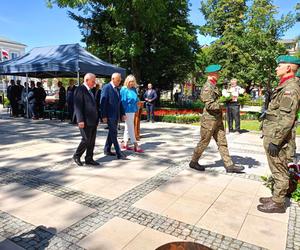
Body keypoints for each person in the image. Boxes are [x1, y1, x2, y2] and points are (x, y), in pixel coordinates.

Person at [257, 55, 300, 213]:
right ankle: (276, 196)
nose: (276, 68)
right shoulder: (284, 85)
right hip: (273, 131)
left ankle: (278, 203)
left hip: (278, 135)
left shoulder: (290, 88)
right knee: (275, 167)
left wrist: (276, 141)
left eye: (279, 65)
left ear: (288, 68)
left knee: (279, 168)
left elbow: (287, 118)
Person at [189, 64, 244, 173]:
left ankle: (229, 165)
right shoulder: (207, 87)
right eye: (217, 73)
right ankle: (193, 162)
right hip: (209, 120)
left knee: (222, 142)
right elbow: (209, 105)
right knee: (204, 142)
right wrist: (223, 104)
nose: (219, 75)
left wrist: (227, 100)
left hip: (217, 119)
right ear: (211, 74)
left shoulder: (214, 86)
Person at [73, 73, 100, 166]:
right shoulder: (80, 89)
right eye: (93, 81)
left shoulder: (90, 91)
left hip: (92, 120)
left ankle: (89, 158)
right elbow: (78, 106)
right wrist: (80, 120)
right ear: (87, 80)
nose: (94, 83)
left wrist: (97, 119)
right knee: (86, 139)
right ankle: (77, 155)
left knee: (92, 141)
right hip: (84, 121)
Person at [100, 72, 127, 160]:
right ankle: (119, 153)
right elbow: (103, 102)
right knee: (114, 133)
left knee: (111, 132)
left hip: (116, 115)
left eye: (120, 80)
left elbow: (120, 103)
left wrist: (123, 114)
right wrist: (103, 115)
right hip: (109, 115)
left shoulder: (117, 89)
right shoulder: (106, 88)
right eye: (118, 80)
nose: (119, 82)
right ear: (112, 79)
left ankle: (107, 149)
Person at [120, 74, 144, 153]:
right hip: (127, 110)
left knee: (128, 126)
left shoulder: (134, 89)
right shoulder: (124, 89)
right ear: (127, 81)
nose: (132, 83)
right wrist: (123, 113)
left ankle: (125, 143)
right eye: (130, 81)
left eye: (133, 82)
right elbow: (122, 102)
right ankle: (135, 144)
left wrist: (138, 103)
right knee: (131, 127)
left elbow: (136, 98)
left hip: (133, 110)